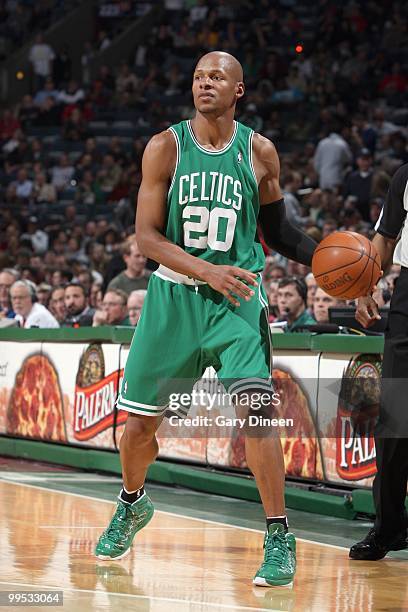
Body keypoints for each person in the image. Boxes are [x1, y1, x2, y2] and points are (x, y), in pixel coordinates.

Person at [95, 51, 317, 587]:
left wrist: (331, 261)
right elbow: (147, 239)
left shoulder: (259, 152)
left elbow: (280, 232)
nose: (204, 84)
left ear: (239, 88)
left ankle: (279, 534)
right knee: (138, 428)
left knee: (258, 415)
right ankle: (131, 502)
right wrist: (205, 272)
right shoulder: (164, 147)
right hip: (174, 299)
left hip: (238, 300)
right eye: (197, 76)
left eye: (216, 77)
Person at [349, 162, 408, 561]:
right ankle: (388, 527)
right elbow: (385, 239)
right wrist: (366, 287)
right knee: (395, 417)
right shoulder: (406, 176)